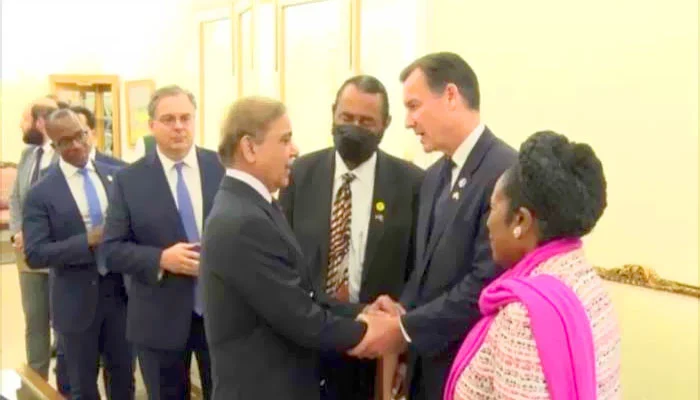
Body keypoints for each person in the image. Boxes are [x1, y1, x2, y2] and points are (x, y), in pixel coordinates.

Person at [349, 52, 517, 399]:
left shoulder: (505, 173)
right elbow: (425, 269)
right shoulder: (433, 176)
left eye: (414, 106)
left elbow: (486, 282)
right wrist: (402, 309)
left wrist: (404, 329)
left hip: (468, 369)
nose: (408, 122)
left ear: (451, 96)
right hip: (425, 368)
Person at [200, 96, 388, 400]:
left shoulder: (256, 206)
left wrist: (362, 311)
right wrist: (376, 333)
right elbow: (301, 318)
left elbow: (303, 294)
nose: (295, 150)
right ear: (249, 148)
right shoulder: (242, 221)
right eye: (285, 140)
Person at [443, 131, 622, 399]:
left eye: (493, 207)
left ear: (521, 221)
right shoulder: (589, 283)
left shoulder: (524, 317)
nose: (488, 222)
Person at [278, 75, 424, 399]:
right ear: (333, 113)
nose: (354, 128)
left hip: (373, 348)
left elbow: (417, 270)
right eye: (346, 117)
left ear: (385, 124)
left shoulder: (412, 184)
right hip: (308, 339)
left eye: (366, 121)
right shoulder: (299, 174)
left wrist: (404, 353)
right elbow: (284, 258)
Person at [103, 85, 223, 399]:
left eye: (185, 118)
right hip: (158, 319)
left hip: (222, 314)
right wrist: (160, 259)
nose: (179, 126)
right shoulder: (129, 180)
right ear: (152, 125)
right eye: (169, 119)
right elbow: (111, 250)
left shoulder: (223, 167)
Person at [22, 109, 134, 399]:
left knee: (124, 380)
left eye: (80, 136)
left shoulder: (117, 176)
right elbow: (35, 253)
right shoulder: (41, 193)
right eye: (65, 141)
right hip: (75, 303)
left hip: (121, 295)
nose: (76, 145)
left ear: (88, 133)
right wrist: (87, 241)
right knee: (82, 387)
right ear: (54, 145)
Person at [8, 97, 58, 381]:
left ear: (40, 122)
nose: (20, 125)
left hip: (55, 252)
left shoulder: (64, 154)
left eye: (25, 119)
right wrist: (18, 231)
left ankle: (65, 385)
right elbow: (16, 198)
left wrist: (36, 234)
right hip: (27, 254)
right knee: (35, 322)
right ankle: (37, 383)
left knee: (63, 323)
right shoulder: (28, 155)